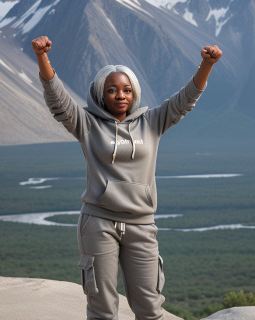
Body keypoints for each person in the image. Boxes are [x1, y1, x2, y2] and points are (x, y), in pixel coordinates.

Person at [31, 36, 222, 320]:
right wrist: (42, 57)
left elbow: (186, 100)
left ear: (135, 94)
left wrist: (206, 64)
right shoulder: (86, 123)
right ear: (100, 94)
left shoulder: (153, 121)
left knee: (149, 307)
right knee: (102, 309)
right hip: (98, 223)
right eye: (112, 90)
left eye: (127, 90)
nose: (121, 95)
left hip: (142, 225)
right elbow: (57, 99)